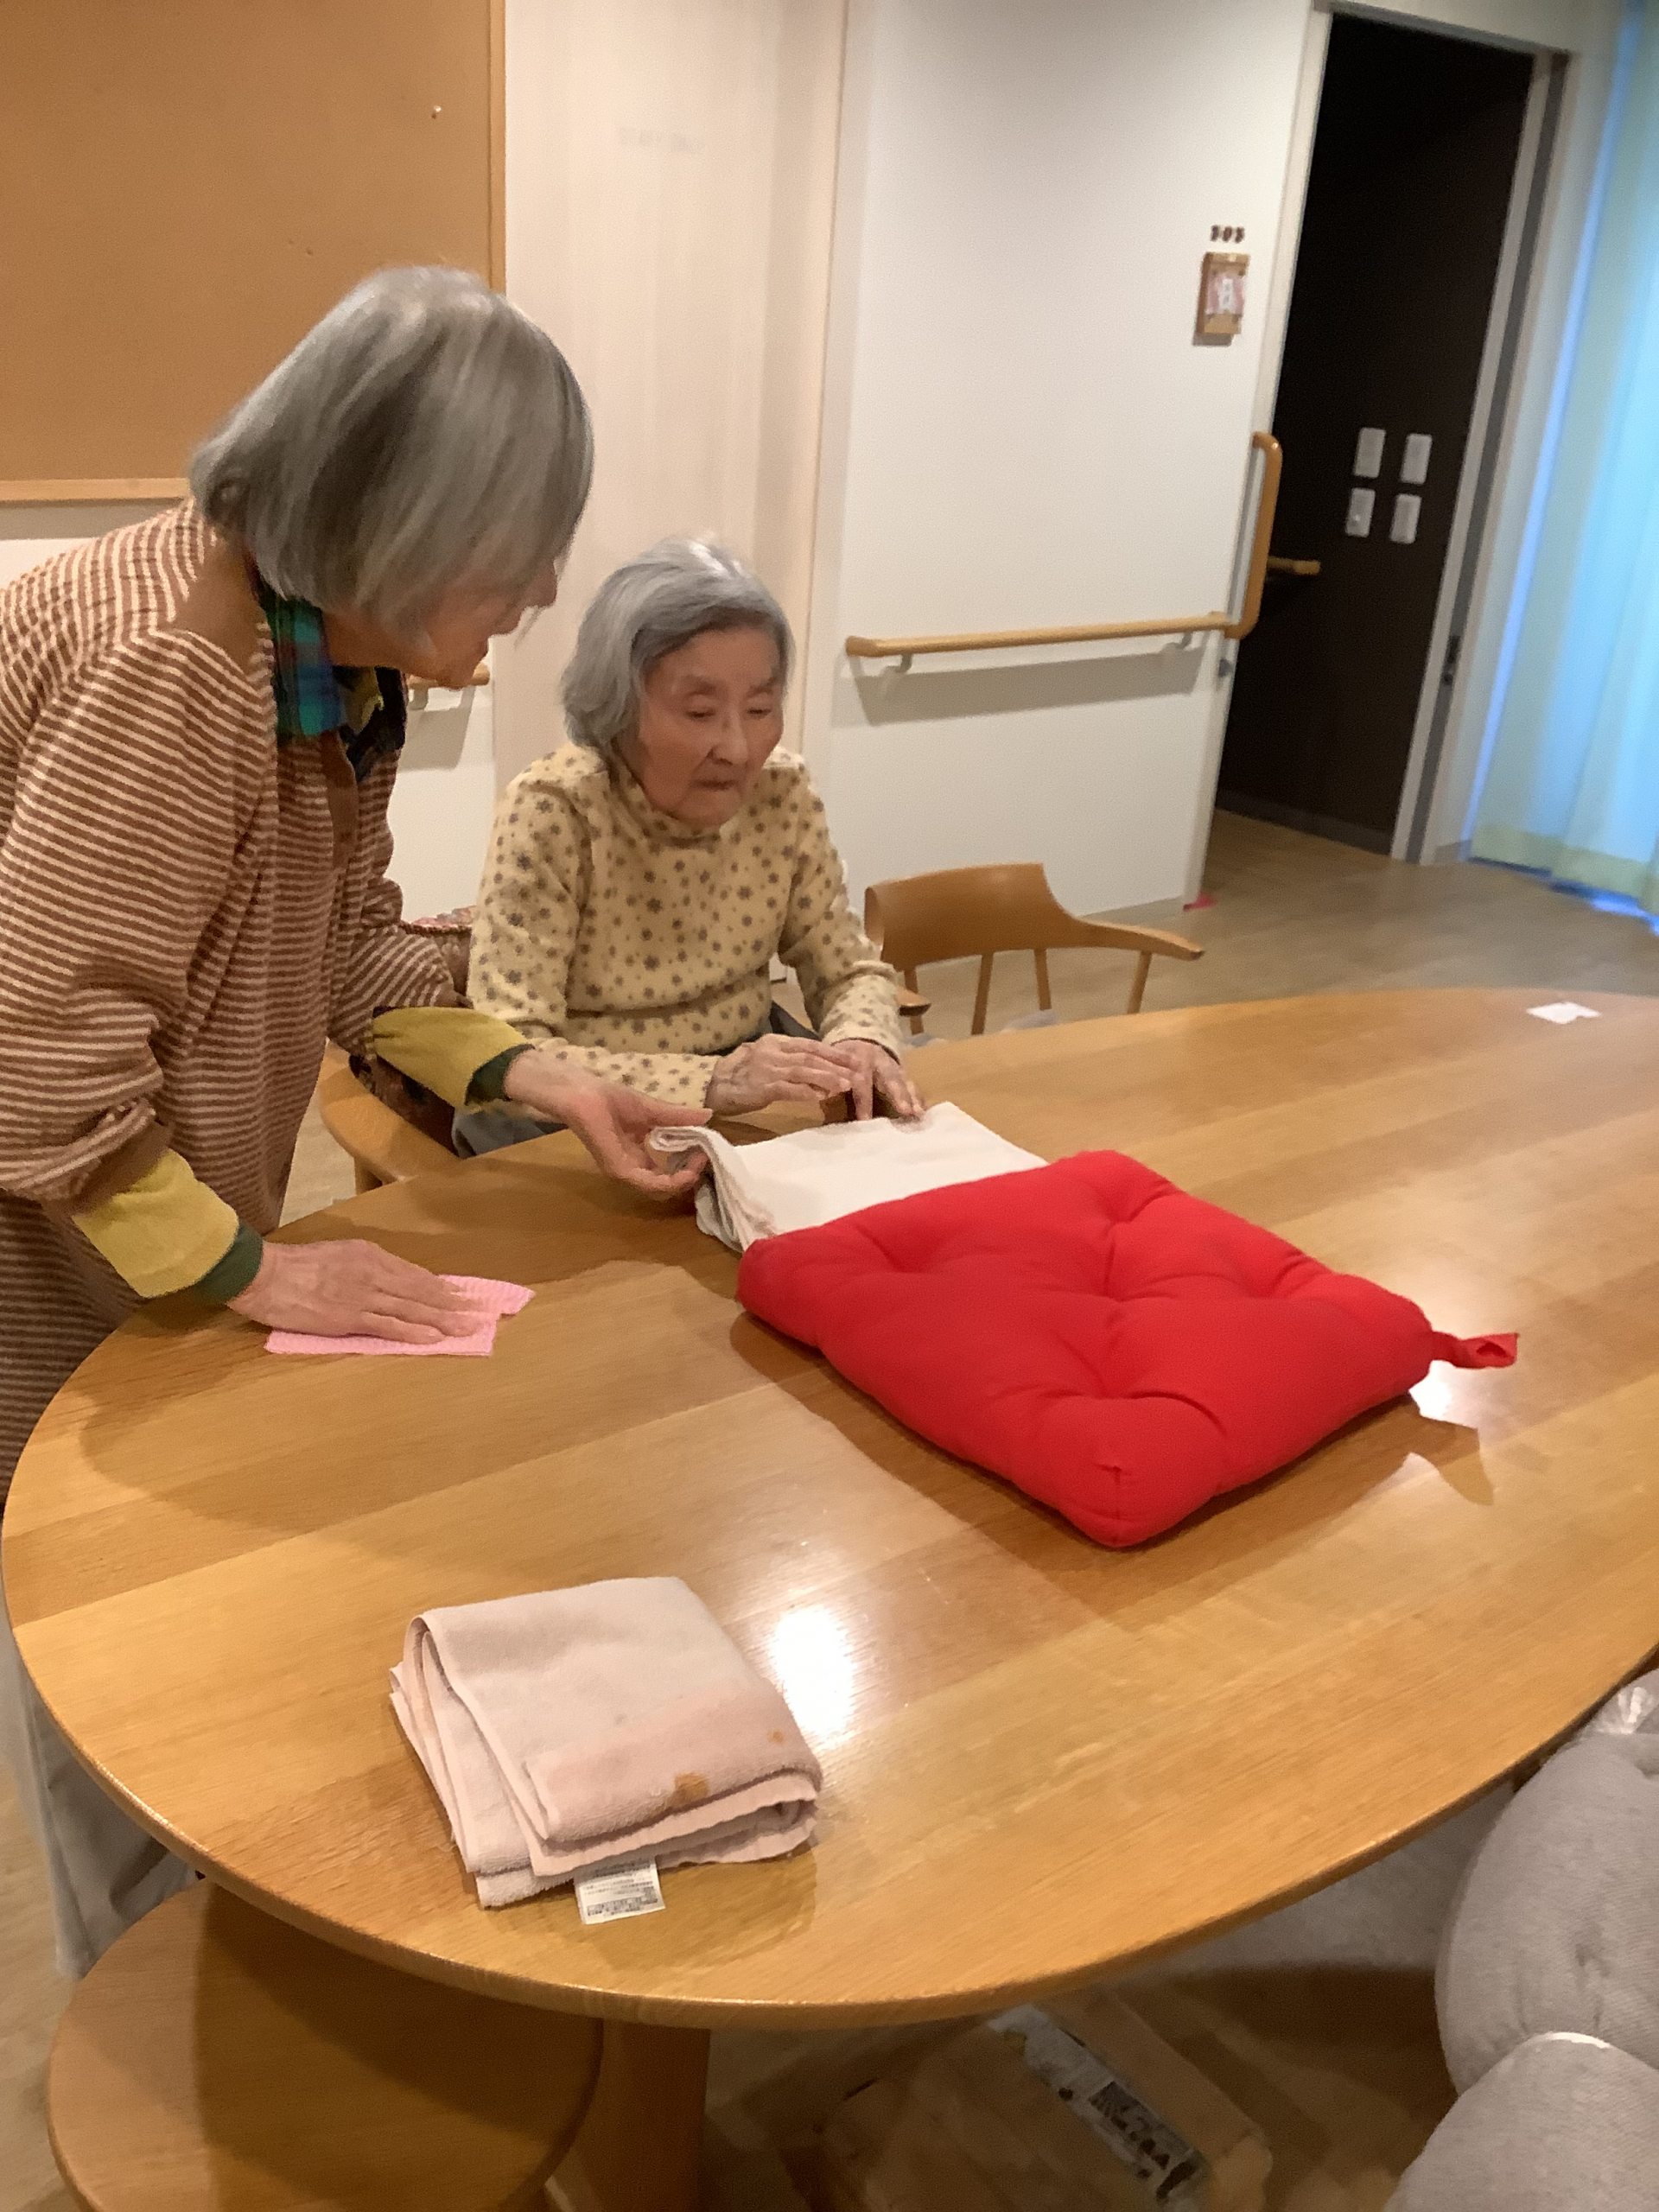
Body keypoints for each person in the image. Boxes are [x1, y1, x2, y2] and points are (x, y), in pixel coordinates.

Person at [0, 268, 701, 1976]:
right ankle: (158, 2017)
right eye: (519, 548)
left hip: (119, 1223)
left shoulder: (315, 661)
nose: (544, 590)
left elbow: (348, 942)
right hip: (39, 1258)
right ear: (402, 518)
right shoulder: (176, 670)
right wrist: (257, 1269)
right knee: (105, 1659)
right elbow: (40, 1067)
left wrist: (543, 1077)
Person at [463, 539, 922, 1150]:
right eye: (701, 713)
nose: (737, 748)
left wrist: (860, 1038)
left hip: (745, 1093)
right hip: (571, 1115)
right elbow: (511, 1047)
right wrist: (709, 1080)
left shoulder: (781, 791)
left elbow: (847, 968)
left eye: (760, 708)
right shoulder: (556, 809)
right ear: (617, 707)